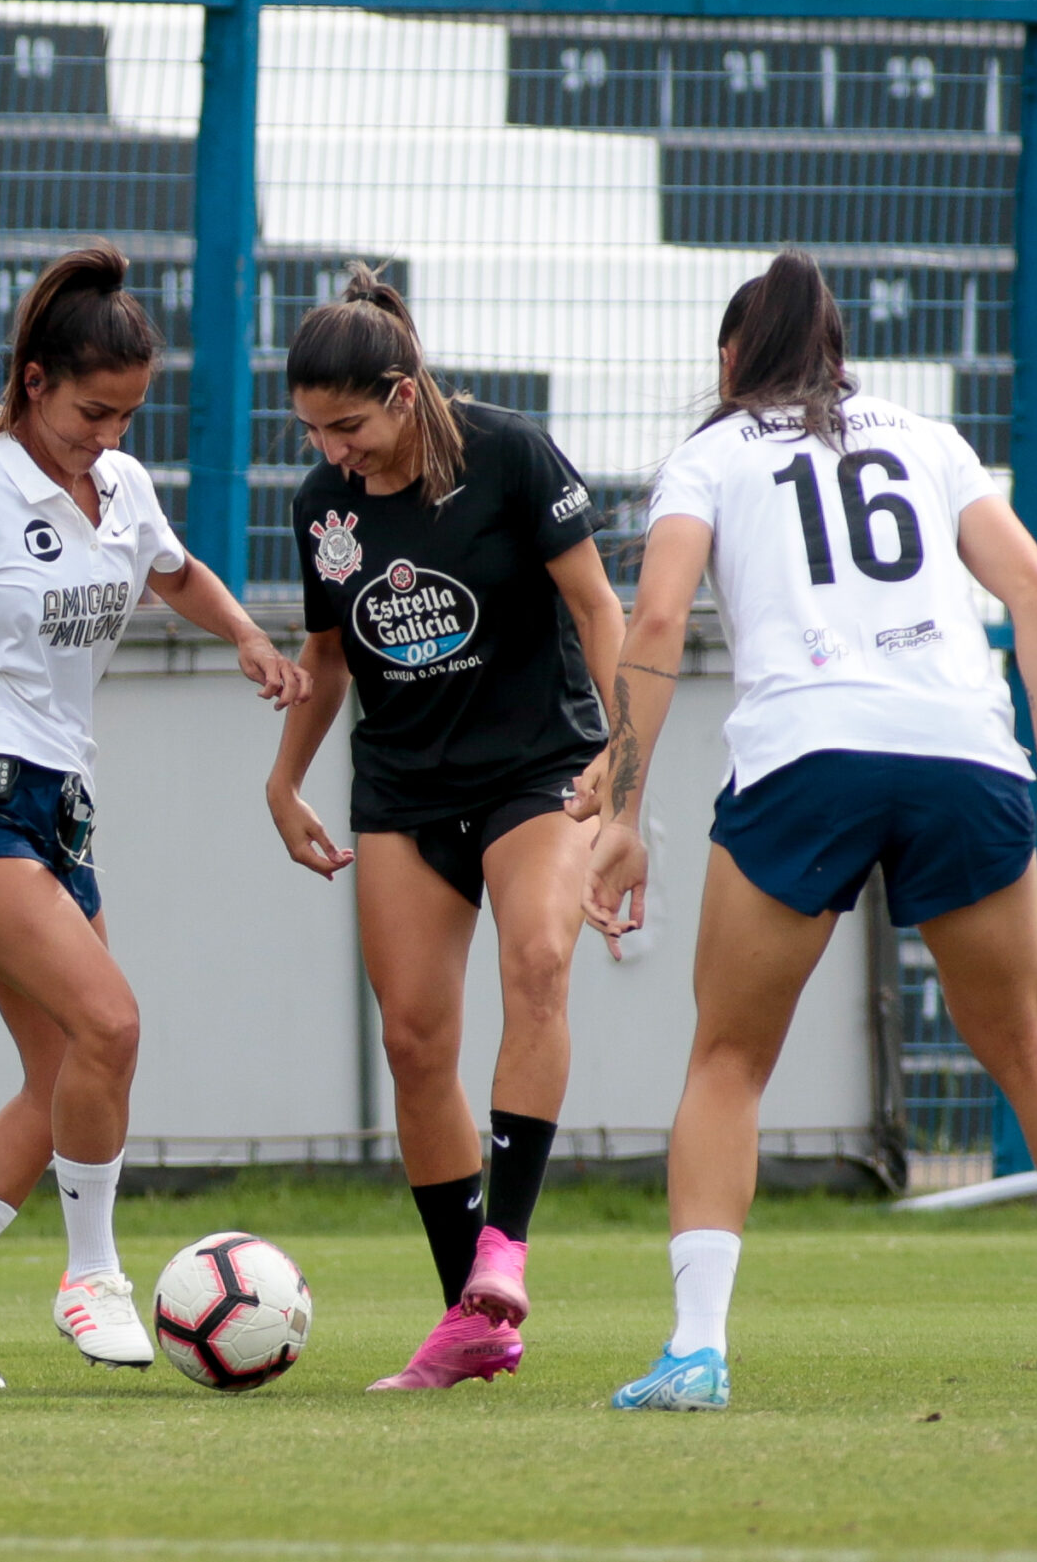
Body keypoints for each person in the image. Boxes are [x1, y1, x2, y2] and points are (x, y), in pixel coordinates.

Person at [587, 250, 1037, 1412]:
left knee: (729, 1058)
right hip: (961, 752)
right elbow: (1036, 593)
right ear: (837, 355)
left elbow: (658, 616)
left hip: (807, 755)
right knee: (1027, 1041)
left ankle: (696, 1352)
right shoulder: (928, 437)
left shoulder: (709, 456)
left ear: (732, 360)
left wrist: (623, 813)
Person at [0, 244, 311, 1387]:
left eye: (130, 415)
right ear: (33, 381)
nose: (111, 436)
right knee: (114, 1026)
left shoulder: (121, 486)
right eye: (94, 411)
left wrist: (242, 632)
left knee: (62, 1086)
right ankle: (90, 1274)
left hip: (56, 807)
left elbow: (174, 570)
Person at [265, 267, 624, 1392]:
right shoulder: (322, 508)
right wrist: (282, 782)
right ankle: (466, 1312)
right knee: (413, 1044)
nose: (334, 451)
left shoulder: (513, 454)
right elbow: (327, 664)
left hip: (537, 773)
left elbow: (599, 608)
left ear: (405, 395)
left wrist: (626, 756)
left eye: (349, 425)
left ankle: (506, 1247)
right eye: (314, 430)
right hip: (404, 791)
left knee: (538, 962)